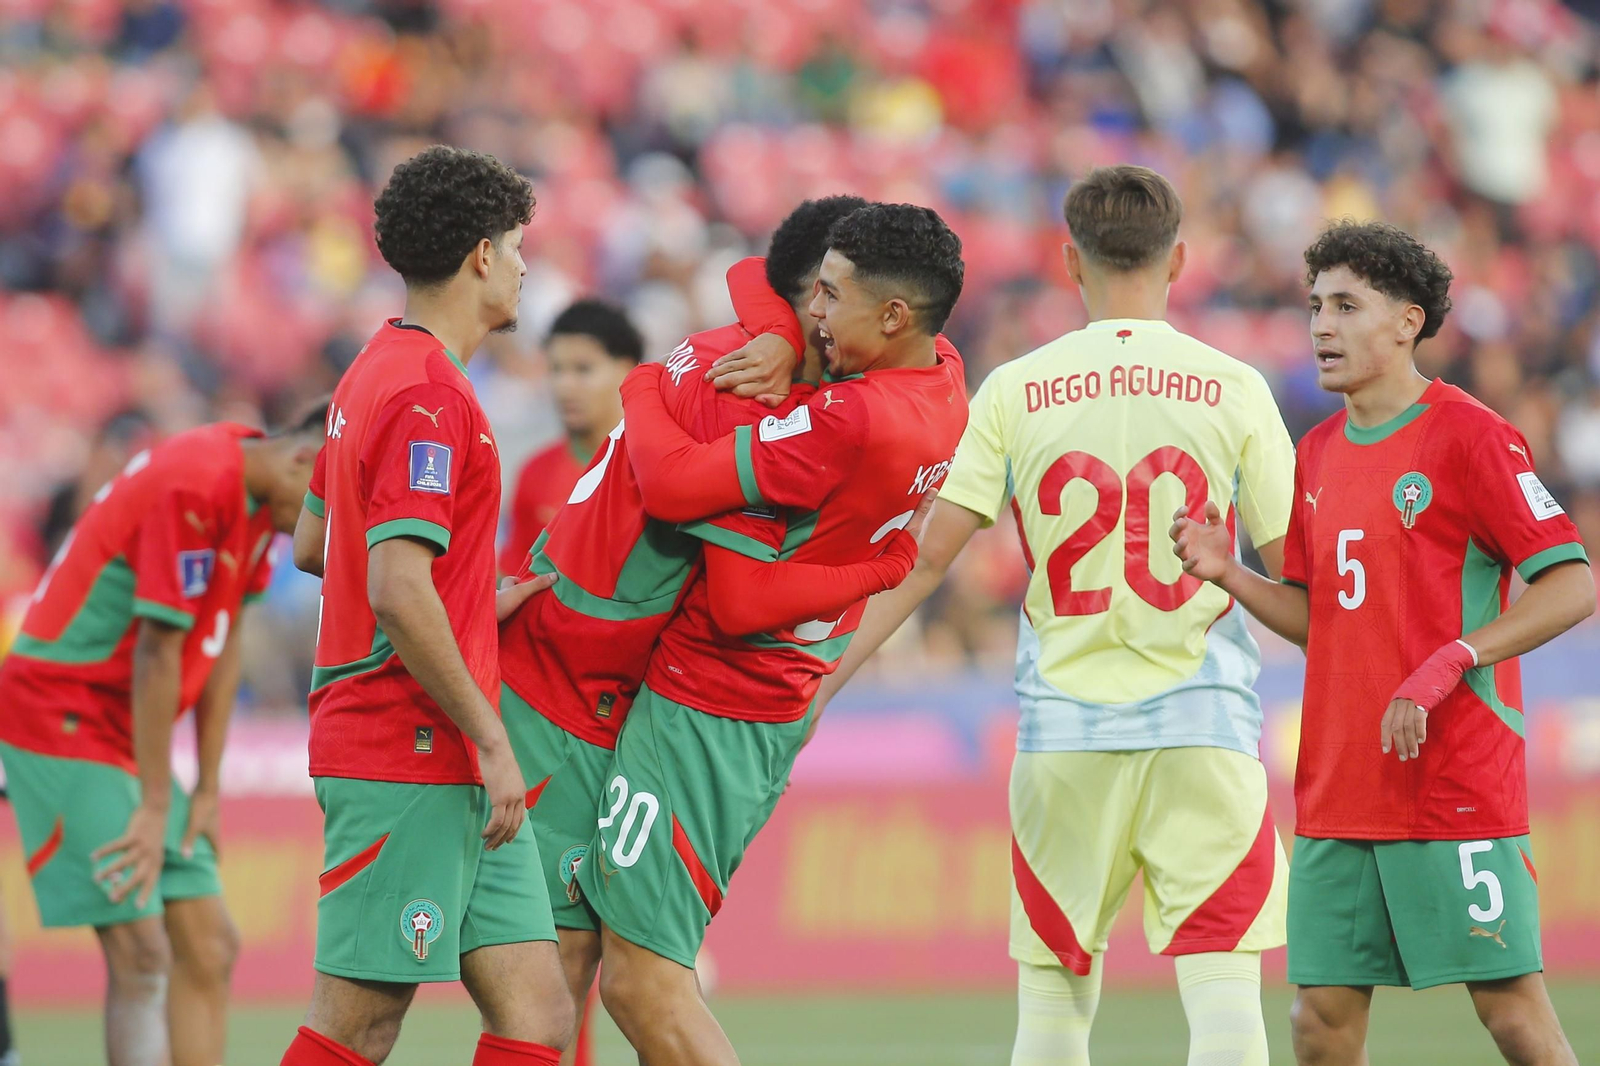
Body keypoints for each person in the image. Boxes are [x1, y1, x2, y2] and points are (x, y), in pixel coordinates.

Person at [817, 166, 1297, 1066]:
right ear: (1180, 259)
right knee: (1226, 994)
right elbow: (1297, 581)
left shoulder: (1015, 388)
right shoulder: (1233, 386)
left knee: (1053, 1002)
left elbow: (923, 561)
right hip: (1206, 726)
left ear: (1068, 259)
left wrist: (824, 681)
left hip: (1063, 735)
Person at [495, 195, 926, 1066]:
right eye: (829, 294)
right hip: (568, 686)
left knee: (584, 972)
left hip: (607, 681)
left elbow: (750, 276)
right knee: (560, 988)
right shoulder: (756, 396)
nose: (830, 315)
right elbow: (732, 589)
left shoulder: (759, 352)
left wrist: (664, 377)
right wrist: (878, 571)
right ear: (813, 298)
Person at [1172, 220, 1593, 1066]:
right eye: (1315, 305)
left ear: (1407, 322)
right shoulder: (1317, 454)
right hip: (1341, 784)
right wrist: (1229, 574)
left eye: (1346, 306)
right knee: (1318, 1026)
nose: (1321, 326)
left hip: (1453, 779)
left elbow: (1574, 582)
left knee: (1513, 1016)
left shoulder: (1471, 436)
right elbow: (1318, 618)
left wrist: (1455, 657)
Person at [278, 145, 572, 1066]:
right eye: (519, 247)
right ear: (483, 256)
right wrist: (490, 737)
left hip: (440, 750)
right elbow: (395, 584)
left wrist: (474, 599)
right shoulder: (429, 394)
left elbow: (317, 543)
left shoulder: (374, 368)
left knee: (538, 1018)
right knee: (358, 1023)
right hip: (407, 743)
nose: (526, 267)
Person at [0, 403, 326, 1066]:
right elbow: (158, 651)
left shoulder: (259, 494)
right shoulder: (198, 480)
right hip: (61, 712)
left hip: (119, 730)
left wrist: (206, 787)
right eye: (329, 502)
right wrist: (155, 805)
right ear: (303, 460)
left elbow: (222, 636)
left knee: (209, 944)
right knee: (143, 951)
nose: (324, 527)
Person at [500, 300, 643, 576]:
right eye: (556, 370)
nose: (564, 386)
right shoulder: (535, 473)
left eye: (582, 369)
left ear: (627, 370)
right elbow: (515, 576)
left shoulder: (655, 465)